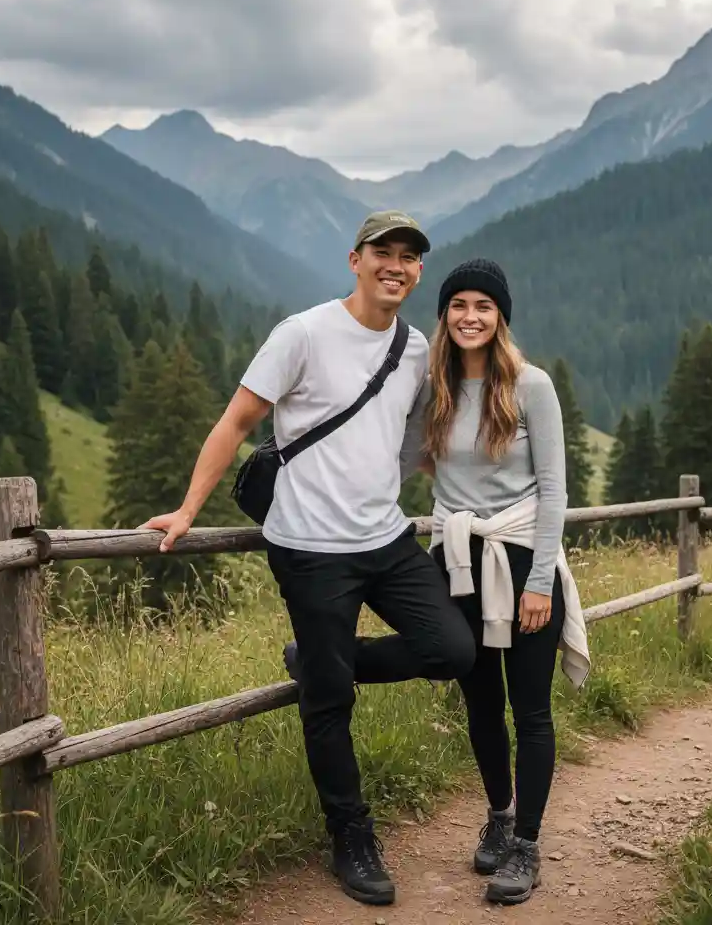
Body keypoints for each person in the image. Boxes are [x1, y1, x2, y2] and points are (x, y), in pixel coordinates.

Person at [139, 211, 476, 908]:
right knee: (329, 701)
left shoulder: (415, 348)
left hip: (385, 538)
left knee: (452, 649)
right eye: (384, 251)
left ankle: (326, 658)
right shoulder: (302, 333)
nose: (398, 265)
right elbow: (237, 422)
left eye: (410, 257)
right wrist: (188, 509)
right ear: (355, 259)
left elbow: (419, 437)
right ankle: (351, 836)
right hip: (310, 550)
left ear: (418, 272)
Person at [412, 258, 591, 905]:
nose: (470, 316)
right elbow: (409, 457)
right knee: (481, 703)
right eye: (458, 304)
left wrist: (540, 581)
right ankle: (499, 813)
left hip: (519, 560)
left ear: (501, 316)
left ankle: (527, 846)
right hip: (457, 561)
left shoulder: (532, 386)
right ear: (444, 315)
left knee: (531, 709)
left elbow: (554, 490)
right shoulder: (434, 389)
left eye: (483, 306)